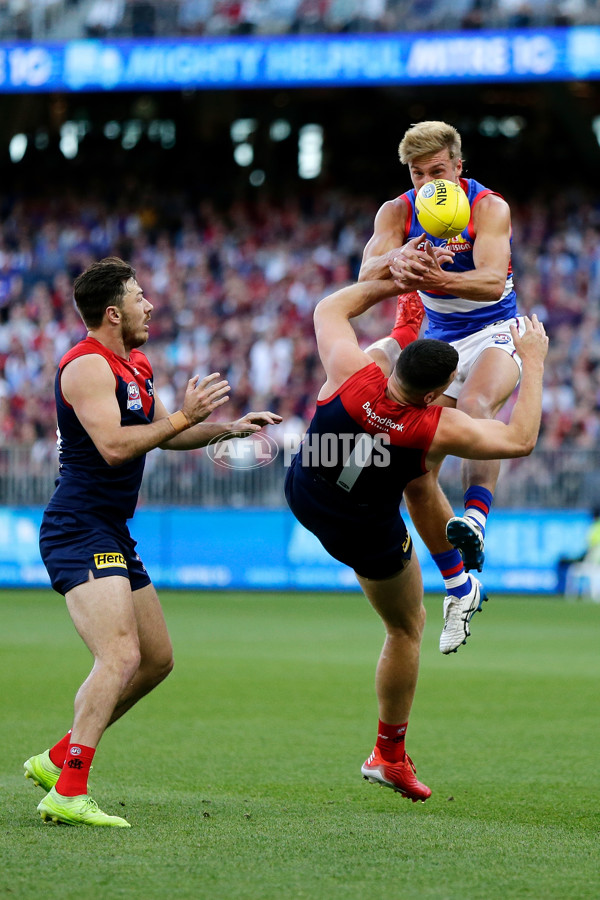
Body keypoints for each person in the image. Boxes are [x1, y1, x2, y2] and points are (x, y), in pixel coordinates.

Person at [24, 257, 281, 828]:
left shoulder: (134, 363)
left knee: (156, 660)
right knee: (119, 655)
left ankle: (59, 757)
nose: (151, 305)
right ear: (113, 312)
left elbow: (168, 433)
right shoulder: (86, 367)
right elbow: (117, 446)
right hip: (78, 526)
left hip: (110, 528)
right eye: (140, 297)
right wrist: (183, 416)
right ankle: (68, 789)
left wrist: (225, 427)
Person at [284, 276, 547, 801]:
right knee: (407, 628)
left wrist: (390, 276)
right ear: (433, 396)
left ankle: (457, 577)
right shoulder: (431, 427)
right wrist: (533, 361)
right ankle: (388, 755)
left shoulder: (351, 373)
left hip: (306, 496)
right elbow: (520, 440)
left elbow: (328, 308)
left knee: (418, 479)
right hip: (365, 529)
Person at [359, 120, 524, 644]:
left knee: (476, 405)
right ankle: (459, 583)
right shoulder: (398, 211)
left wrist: (433, 275)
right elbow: (367, 271)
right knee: (414, 472)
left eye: (437, 170)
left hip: (498, 328)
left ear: (458, 166)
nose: (428, 181)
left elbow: (492, 281)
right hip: (443, 342)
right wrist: (397, 257)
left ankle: (475, 517)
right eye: (416, 172)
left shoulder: (488, 208)